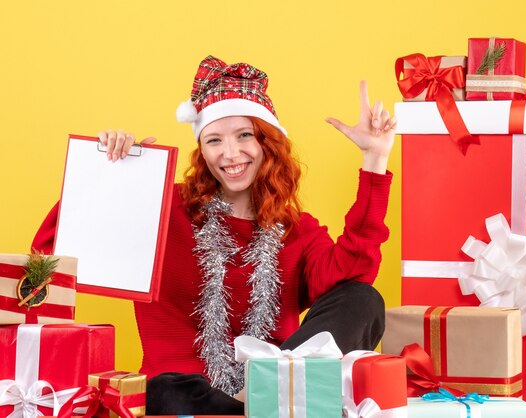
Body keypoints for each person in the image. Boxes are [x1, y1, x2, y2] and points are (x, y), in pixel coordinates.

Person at [32, 55, 396, 415]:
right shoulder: (162, 205)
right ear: (202, 150)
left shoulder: (297, 229)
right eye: (214, 140)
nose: (231, 153)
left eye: (244, 135)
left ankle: (261, 393)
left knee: (364, 298)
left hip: (275, 383)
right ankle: (255, 407)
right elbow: (52, 249)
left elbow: (354, 276)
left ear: (266, 142)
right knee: (163, 390)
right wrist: (115, 174)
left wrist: (374, 159)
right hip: (184, 393)